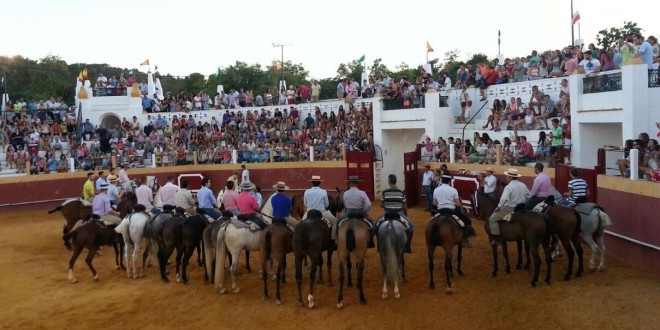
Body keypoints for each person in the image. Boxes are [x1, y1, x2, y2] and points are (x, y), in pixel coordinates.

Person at [488, 168, 530, 246]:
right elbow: (529, 195)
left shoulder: (509, 187)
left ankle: (496, 238)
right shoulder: (523, 185)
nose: (507, 177)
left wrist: (499, 206)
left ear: (510, 177)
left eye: (508, 176)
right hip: (522, 207)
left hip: (510, 207)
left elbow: (504, 198)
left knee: (492, 219)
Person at [432, 173, 475, 247]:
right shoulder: (453, 190)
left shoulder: (436, 189)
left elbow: (434, 203)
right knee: (468, 221)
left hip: (440, 211)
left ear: (442, 180)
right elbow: (458, 204)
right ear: (449, 181)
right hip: (451, 211)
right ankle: (464, 239)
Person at [376, 174, 414, 253]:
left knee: (376, 227)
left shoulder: (385, 192)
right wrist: (405, 216)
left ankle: (379, 245)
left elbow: (381, 205)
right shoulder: (401, 192)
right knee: (411, 227)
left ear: (389, 182)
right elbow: (404, 206)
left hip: (387, 214)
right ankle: (407, 246)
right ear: (395, 182)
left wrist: (388, 204)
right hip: (399, 214)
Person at [336, 176, 374, 247]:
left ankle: (337, 240)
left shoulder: (345, 193)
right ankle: (371, 241)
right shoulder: (362, 193)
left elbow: (344, 204)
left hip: (348, 213)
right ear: (357, 183)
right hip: (360, 213)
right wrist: (366, 212)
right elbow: (368, 204)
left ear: (349, 183)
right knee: (371, 223)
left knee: (338, 222)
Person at [303, 175, 338, 241]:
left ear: (312, 183)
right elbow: (327, 205)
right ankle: (333, 241)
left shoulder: (306, 191)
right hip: (322, 213)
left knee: (300, 224)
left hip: (309, 213)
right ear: (319, 183)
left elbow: (305, 204)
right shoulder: (323, 191)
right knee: (336, 223)